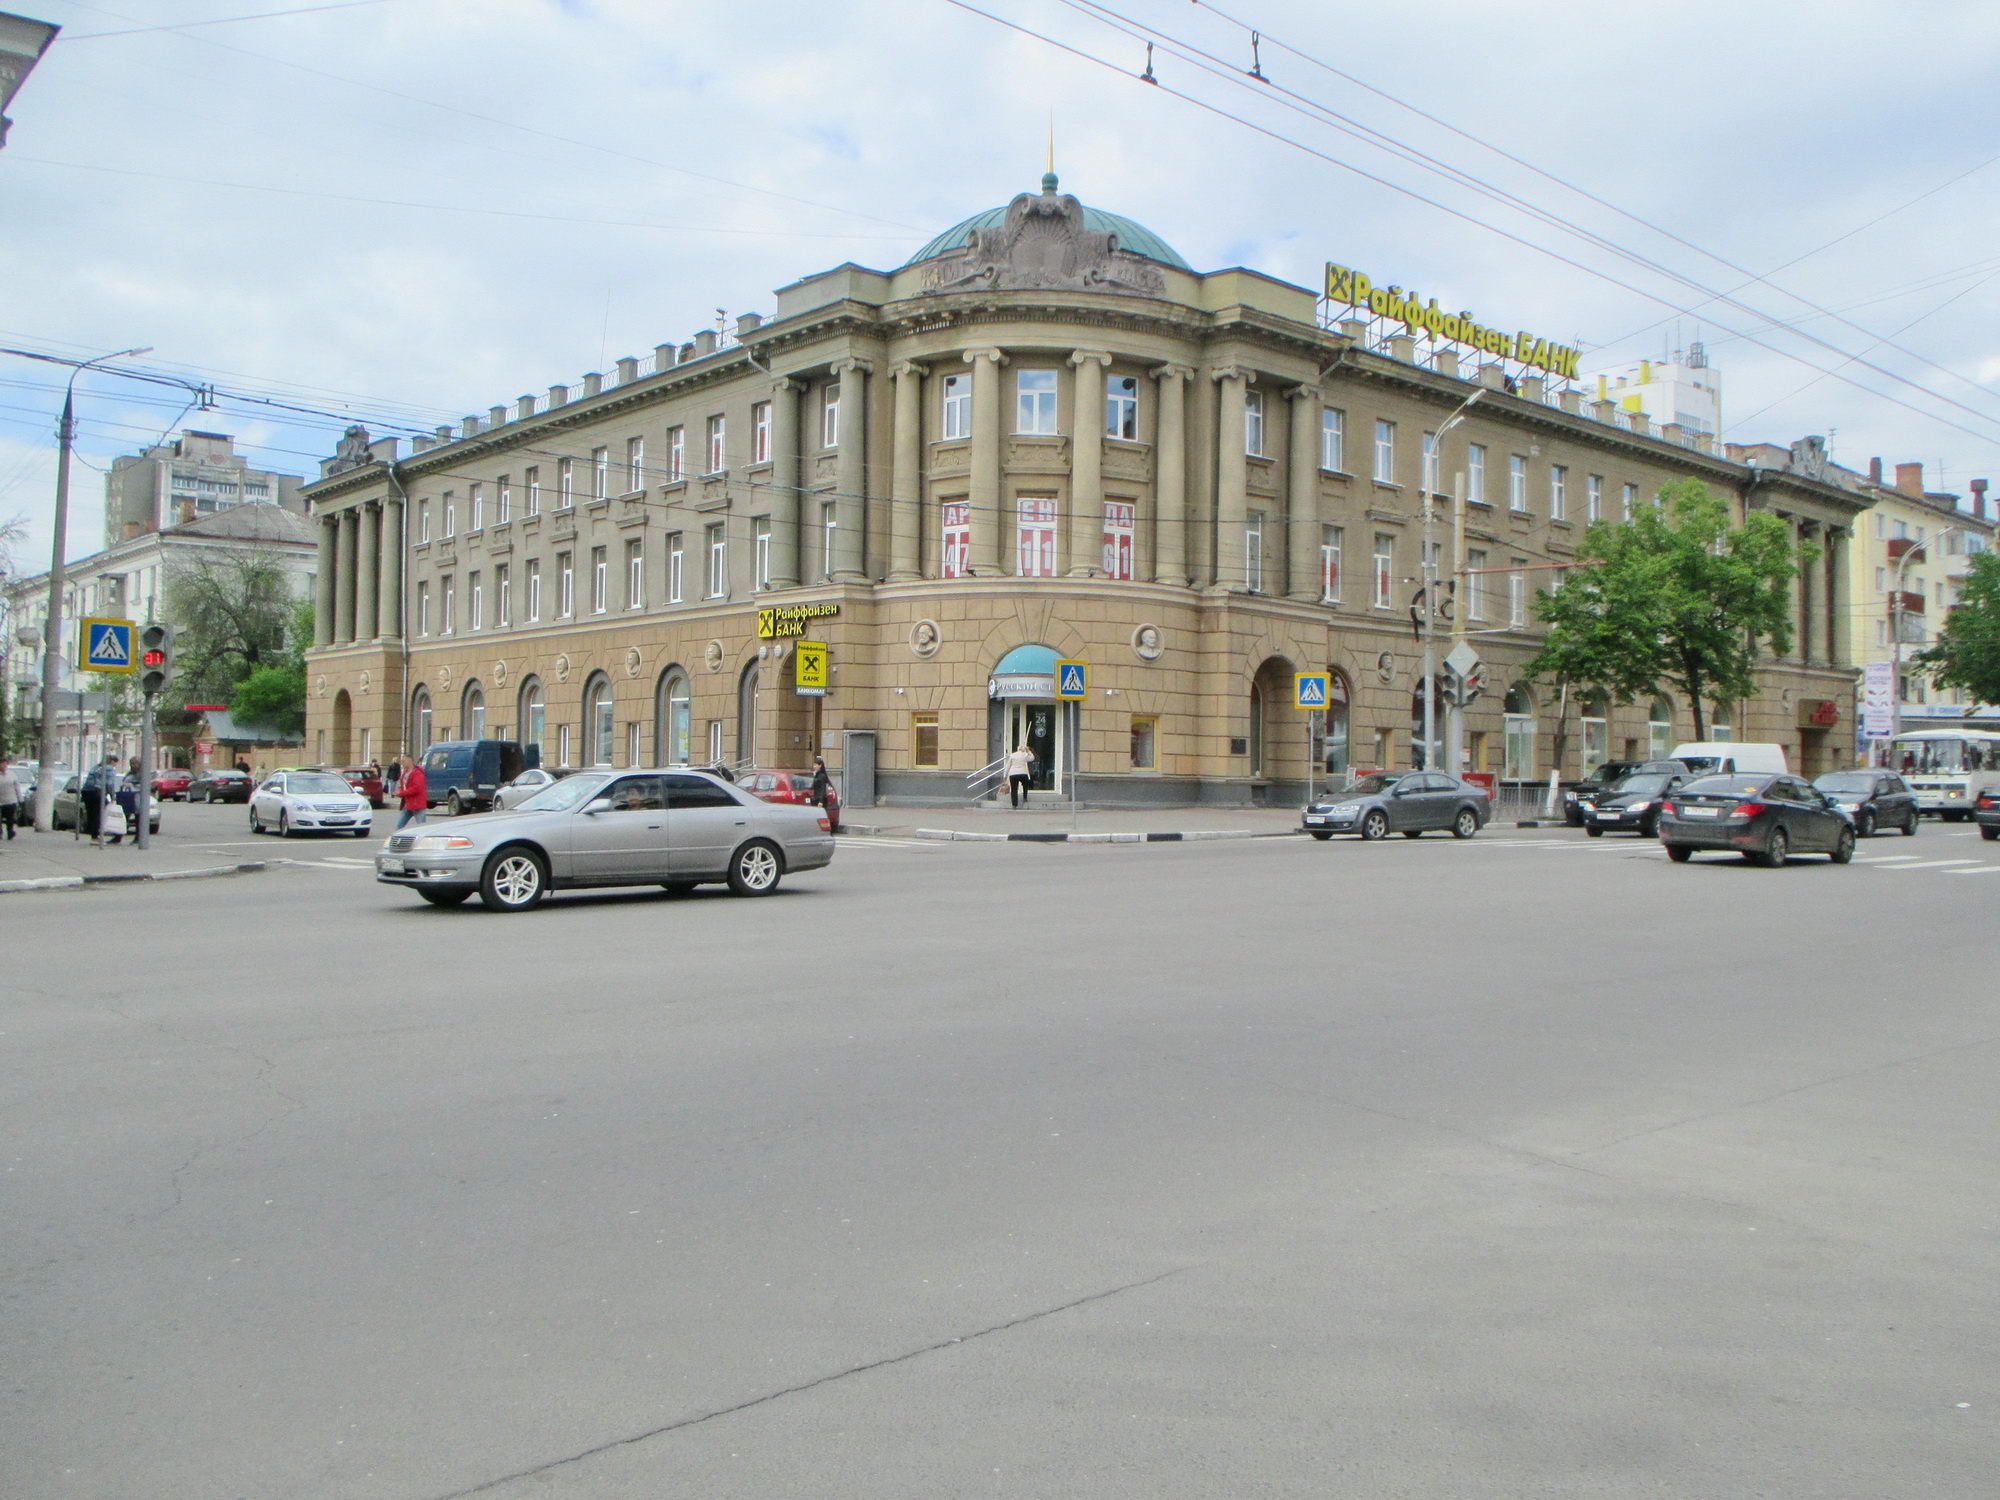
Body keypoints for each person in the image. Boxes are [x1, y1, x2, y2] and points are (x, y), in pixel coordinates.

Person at [83, 753, 122, 844]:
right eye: (115, 763)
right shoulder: (108, 768)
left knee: (91, 814)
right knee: (99, 814)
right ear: (112, 761)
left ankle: (93, 835)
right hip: (97, 792)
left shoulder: (96, 767)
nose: (115, 765)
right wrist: (113, 796)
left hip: (86, 791)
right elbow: (110, 783)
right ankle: (96, 837)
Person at [395, 754, 428, 829]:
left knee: (422, 827)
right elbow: (403, 786)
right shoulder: (405, 773)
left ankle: (424, 839)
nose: (402, 763)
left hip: (417, 804)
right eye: (401, 761)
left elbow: (416, 788)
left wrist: (402, 793)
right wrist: (399, 791)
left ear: (410, 761)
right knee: (399, 827)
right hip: (407, 804)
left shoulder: (417, 773)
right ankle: (398, 840)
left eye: (404, 761)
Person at [1004, 740, 1035, 809]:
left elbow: (1008, 766)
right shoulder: (1025, 755)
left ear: (1018, 749)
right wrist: (1029, 751)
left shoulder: (1012, 755)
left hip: (1013, 773)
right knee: (1025, 784)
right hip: (1023, 773)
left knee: (1014, 789)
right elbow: (1032, 758)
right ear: (1023, 749)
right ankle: (1025, 797)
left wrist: (1005, 775)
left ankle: (1014, 804)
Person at [0, 756, 19, 840]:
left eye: (6, 765)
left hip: (10, 800)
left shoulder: (12, 775)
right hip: (0, 801)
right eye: (3, 765)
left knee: (10, 818)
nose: (5, 766)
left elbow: (17, 787)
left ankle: (10, 832)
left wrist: (20, 800)